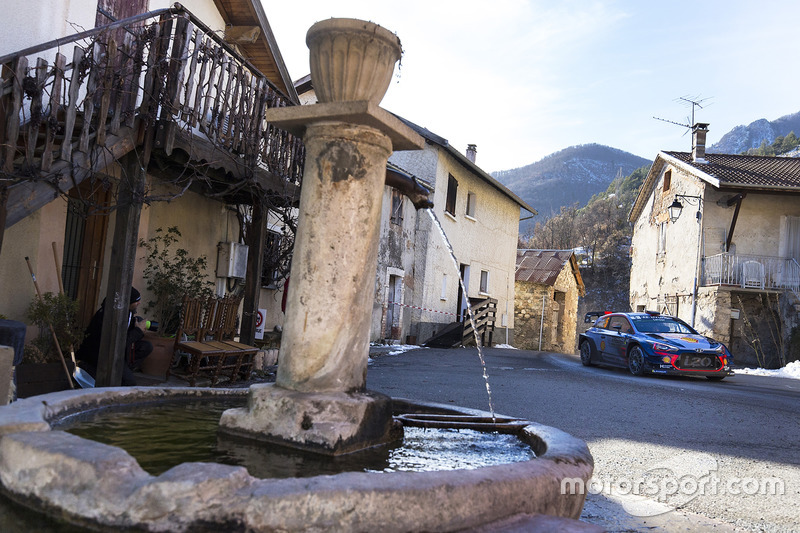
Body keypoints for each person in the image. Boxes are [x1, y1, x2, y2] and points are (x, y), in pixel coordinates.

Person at [76, 287, 153, 386]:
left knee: (146, 346)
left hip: (118, 354)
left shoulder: (128, 312)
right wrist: (138, 331)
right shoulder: (108, 316)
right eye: (136, 301)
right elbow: (117, 343)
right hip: (102, 354)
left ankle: (123, 370)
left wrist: (136, 326)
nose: (139, 303)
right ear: (128, 302)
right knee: (130, 383)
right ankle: (116, 375)